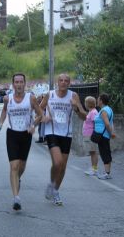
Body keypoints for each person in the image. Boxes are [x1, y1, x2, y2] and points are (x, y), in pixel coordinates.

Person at [0, 73, 43, 211]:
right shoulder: (7, 98)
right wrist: (0, 123)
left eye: (21, 82)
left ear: (25, 83)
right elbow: (4, 111)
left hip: (26, 135)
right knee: (14, 166)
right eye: (16, 82)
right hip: (12, 134)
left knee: (21, 166)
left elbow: (40, 115)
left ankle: (17, 179)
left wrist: (33, 125)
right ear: (13, 84)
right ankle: (16, 197)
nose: (19, 84)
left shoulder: (31, 98)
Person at [40, 74, 86, 206]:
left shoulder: (73, 96)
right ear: (57, 82)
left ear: (69, 83)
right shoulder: (49, 95)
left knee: (63, 166)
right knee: (58, 162)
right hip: (52, 131)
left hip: (67, 134)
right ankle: (52, 182)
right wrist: (42, 118)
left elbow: (84, 116)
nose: (63, 83)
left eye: (66, 81)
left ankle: (55, 190)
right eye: (61, 80)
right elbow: (39, 109)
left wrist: (76, 107)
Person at [94, 93, 115, 180]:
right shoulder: (109, 109)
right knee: (106, 152)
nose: (97, 101)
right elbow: (111, 123)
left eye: (98, 99)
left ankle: (107, 173)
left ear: (101, 101)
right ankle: (107, 172)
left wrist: (111, 133)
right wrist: (111, 133)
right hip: (105, 135)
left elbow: (107, 123)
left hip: (102, 135)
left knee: (104, 153)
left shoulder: (103, 111)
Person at [82, 96, 99, 176]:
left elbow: (96, 123)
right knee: (92, 152)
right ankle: (93, 168)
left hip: (91, 135)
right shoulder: (91, 111)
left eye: (85, 102)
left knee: (93, 152)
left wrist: (94, 135)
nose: (84, 104)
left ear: (88, 104)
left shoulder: (93, 112)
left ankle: (94, 169)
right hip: (88, 135)